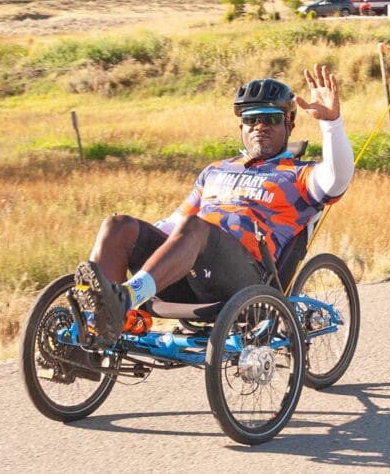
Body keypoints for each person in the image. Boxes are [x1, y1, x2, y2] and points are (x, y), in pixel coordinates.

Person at [71, 66, 355, 347]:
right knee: (118, 226)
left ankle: (126, 298)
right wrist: (136, 243)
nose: (260, 127)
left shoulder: (299, 174)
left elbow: (338, 178)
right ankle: (96, 329)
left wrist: (331, 124)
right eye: (251, 119)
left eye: (270, 119)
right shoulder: (215, 170)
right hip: (191, 270)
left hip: (245, 276)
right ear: (241, 126)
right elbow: (173, 224)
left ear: (289, 124)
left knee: (197, 226)